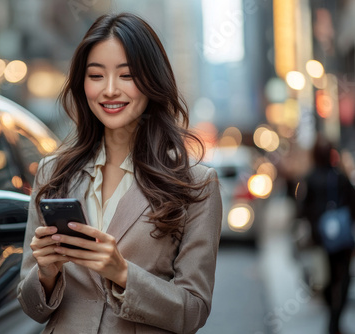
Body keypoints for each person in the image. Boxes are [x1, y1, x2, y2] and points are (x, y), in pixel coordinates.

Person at [17, 12, 222, 334]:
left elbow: (193, 311)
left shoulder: (196, 184)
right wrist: (45, 273)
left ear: (153, 81)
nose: (110, 90)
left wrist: (122, 272)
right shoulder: (53, 172)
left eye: (126, 76)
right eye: (96, 76)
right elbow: (32, 309)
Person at [297, 134, 355, 334]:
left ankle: (333, 319)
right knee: (343, 276)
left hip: (321, 237)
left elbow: (302, 209)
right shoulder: (339, 176)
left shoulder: (309, 178)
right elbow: (352, 203)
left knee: (328, 277)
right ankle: (335, 320)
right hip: (343, 237)